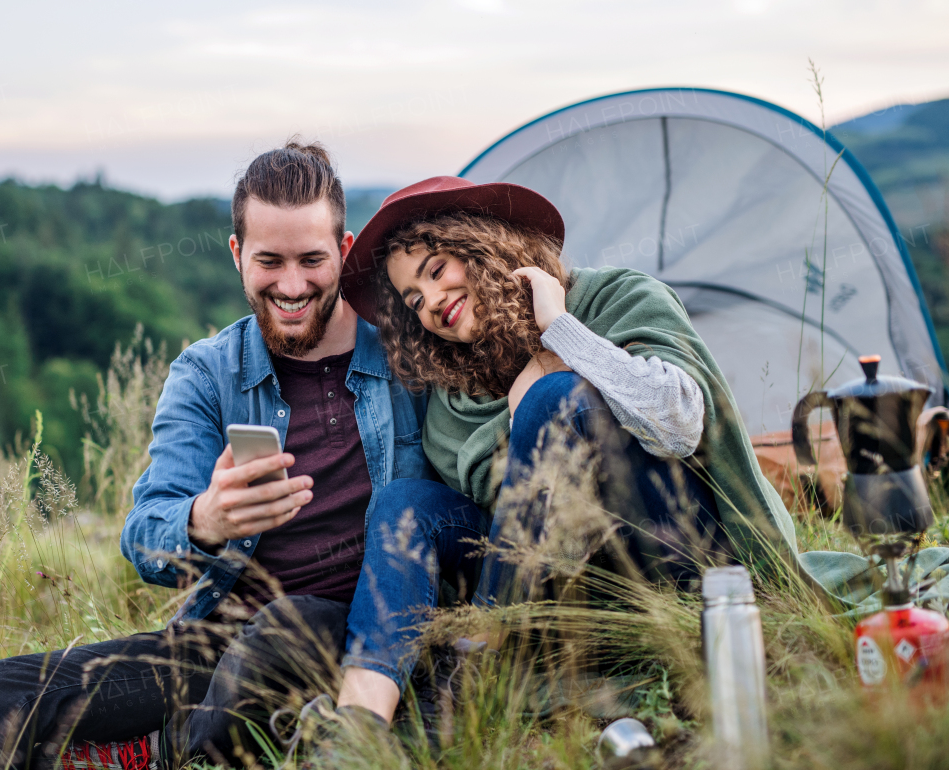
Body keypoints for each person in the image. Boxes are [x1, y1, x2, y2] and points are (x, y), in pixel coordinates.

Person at [0, 142, 436, 770]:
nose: (293, 285)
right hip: (211, 645)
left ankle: (153, 755)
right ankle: (143, 749)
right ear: (237, 255)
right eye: (269, 261)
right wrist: (205, 519)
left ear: (345, 251)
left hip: (351, 638)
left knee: (282, 629)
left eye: (312, 260)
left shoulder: (410, 355)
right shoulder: (208, 373)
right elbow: (144, 534)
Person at [317, 175, 800, 731]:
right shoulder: (453, 398)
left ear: (482, 243)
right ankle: (354, 727)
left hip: (674, 555)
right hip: (563, 600)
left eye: (436, 270)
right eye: (414, 300)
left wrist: (562, 334)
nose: (431, 304)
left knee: (554, 399)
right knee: (404, 501)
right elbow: (494, 540)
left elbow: (680, 424)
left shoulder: (613, 297)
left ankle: (475, 676)